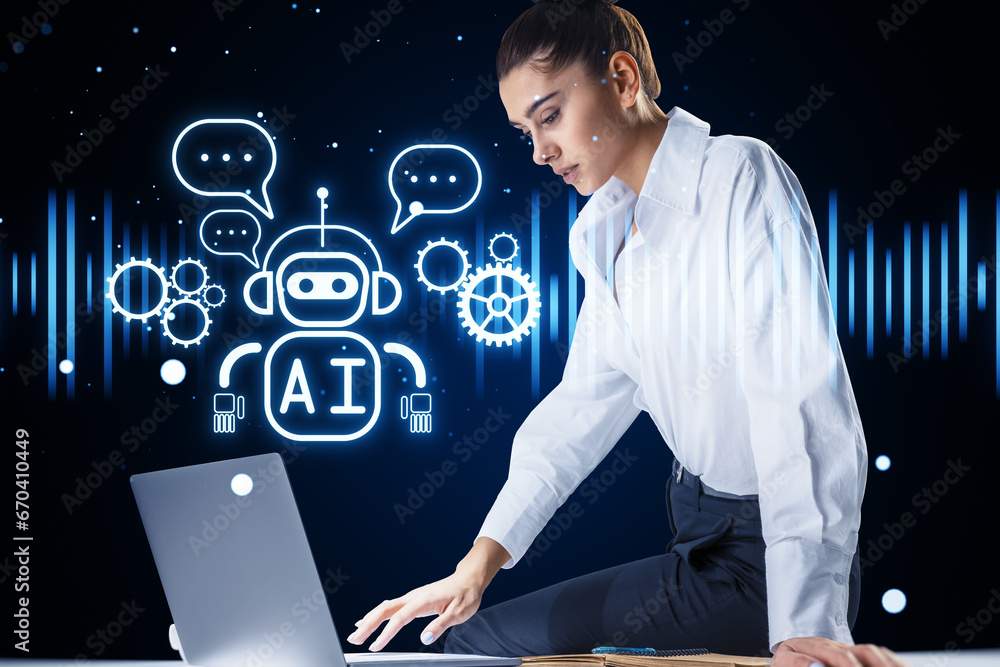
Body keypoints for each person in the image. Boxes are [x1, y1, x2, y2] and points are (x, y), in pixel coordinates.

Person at [348, 2, 906, 665]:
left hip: (769, 562)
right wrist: (477, 564)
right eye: (525, 130)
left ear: (622, 77)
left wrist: (805, 625)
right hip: (700, 536)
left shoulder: (738, 176)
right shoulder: (606, 232)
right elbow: (578, 411)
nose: (539, 150)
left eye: (550, 116)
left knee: (475, 645)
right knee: (474, 634)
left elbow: (800, 405)